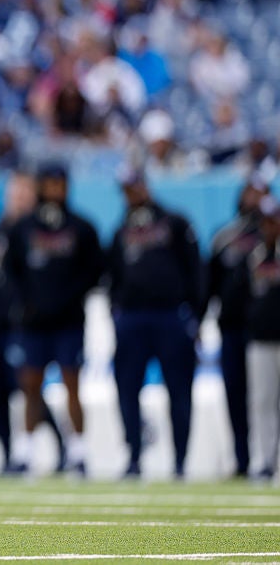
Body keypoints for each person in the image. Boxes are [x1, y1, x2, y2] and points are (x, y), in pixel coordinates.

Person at [5, 162, 104, 475]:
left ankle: (79, 453)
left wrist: (67, 299)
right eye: (49, 184)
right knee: (31, 386)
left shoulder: (81, 227)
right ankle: (25, 453)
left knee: (72, 384)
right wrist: (27, 303)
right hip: (34, 323)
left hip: (69, 321)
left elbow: (94, 272)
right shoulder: (23, 227)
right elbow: (11, 271)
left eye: (59, 184)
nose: (54, 190)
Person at [107, 167, 202, 478]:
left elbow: (195, 270)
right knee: (127, 389)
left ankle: (180, 461)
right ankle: (134, 456)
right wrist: (117, 313)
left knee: (179, 390)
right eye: (126, 189)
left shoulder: (174, 222)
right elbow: (113, 276)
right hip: (133, 318)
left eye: (134, 187)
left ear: (145, 186)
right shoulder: (121, 229)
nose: (131, 194)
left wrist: (195, 316)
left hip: (170, 316)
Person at [0, 172, 64, 475]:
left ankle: (58, 444)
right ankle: (8, 453)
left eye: (25, 193)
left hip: (20, 325)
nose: (20, 199)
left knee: (27, 387)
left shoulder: (35, 234)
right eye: (16, 193)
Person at [207, 175, 271, 477]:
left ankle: (267, 459)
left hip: (266, 332)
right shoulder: (225, 237)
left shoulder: (272, 238)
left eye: (260, 193)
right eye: (250, 192)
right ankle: (243, 459)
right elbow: (209, 283)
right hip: (232, 328)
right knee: (236, 395)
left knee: (266, 397)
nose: (254, 199)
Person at [234, 195, 280, 482]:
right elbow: (241, 294)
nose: (270, 227)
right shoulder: (254, 255)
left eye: (274, 221)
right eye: (266, 222)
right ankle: (264, 460)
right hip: (260, 338)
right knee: (262, 401)